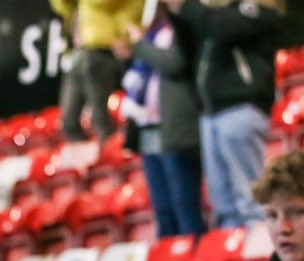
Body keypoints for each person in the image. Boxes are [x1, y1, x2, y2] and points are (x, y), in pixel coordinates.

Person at [170, 0, 282, 229]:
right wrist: (176, 16)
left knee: (250, 198)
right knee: (222, 203)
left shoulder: (253, 9)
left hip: (240, 106)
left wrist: (185, 6)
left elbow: (221, 28)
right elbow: (185, 53)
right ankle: (232, 255)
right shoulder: (209, 15)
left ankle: (260, 254)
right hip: (210, 112)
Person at [114, 6, 205, 237]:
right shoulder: (147, 37)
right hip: (148, 130)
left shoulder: (182, 29)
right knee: (163, 208)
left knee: (184, 204)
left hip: (176, 131)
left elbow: (174, 63)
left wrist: (139, 46)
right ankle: (170, 260)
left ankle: (192, 256)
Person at [50, 0, 144, 142]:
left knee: (99, 117)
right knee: (69, 120)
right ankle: (83, 159)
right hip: (79, 50)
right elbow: (62, 6)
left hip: (104, 48)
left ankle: (111, 155)